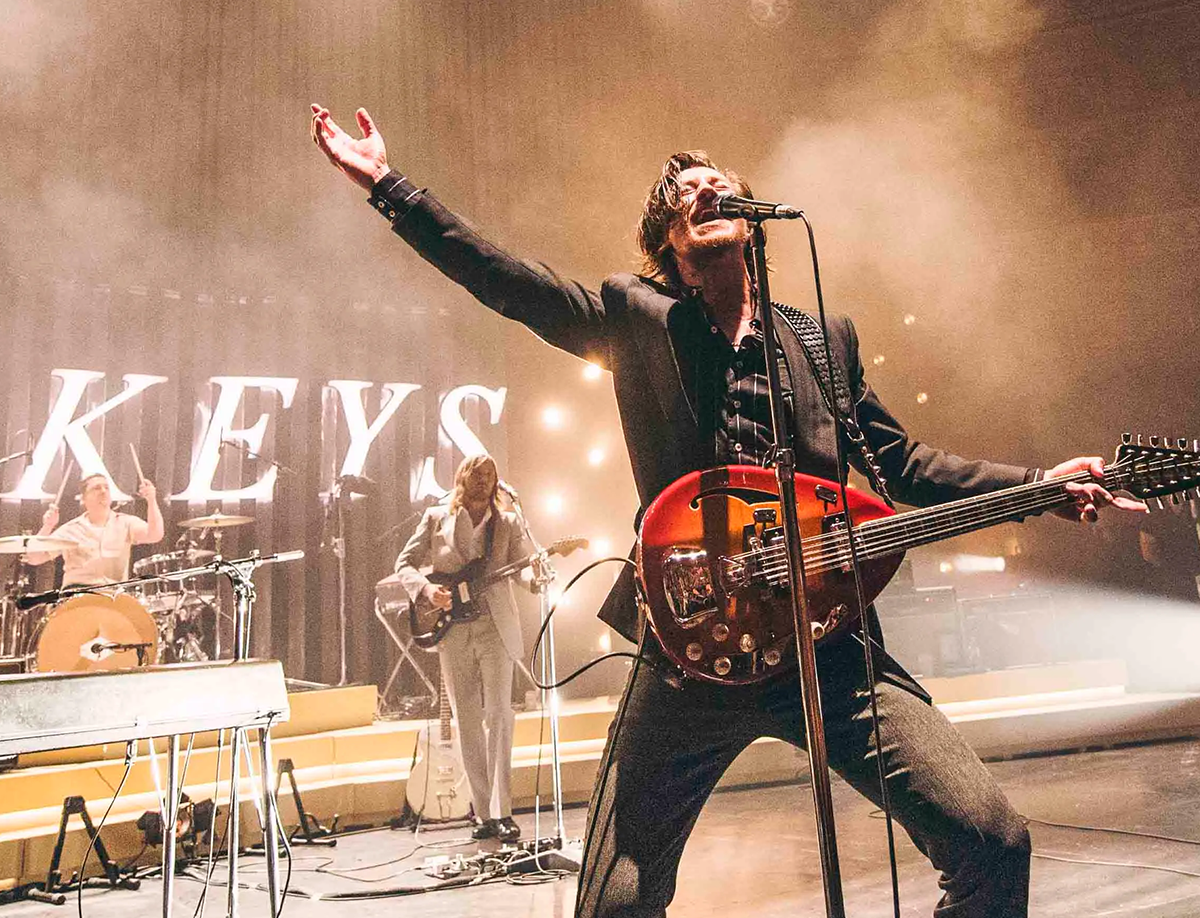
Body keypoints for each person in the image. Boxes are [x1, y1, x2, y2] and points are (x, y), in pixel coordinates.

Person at [309, 104, 1141, 917]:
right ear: (670, 244)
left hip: (825, 649)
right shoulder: (638, 320)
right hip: (689, 657)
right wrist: (389, 186)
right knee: (616, 904)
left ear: (752, 221)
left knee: (993, 843)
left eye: (716, 185)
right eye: (683, 197)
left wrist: (1038, 486)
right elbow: (507, 283)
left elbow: (905, 465)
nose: (702, 193)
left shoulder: (823, 339)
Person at [396, 454, 536, 842]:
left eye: (491, 474)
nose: (484, 480)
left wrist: (535, 578)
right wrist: (426, 590)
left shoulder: (508, 522)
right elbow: (404, 563)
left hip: (495, 625)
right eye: (477, 474)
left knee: (500, 716)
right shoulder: (435, 517)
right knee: (468, 720)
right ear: (462, 477)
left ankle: (503, 811)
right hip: (452, 629)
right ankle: (483, 813)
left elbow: (522, 566)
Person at [23, 472, 166, 586]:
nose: (103, 491)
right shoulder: (70, 529)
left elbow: (155, 535)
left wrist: (151, 501)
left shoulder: (126, 523)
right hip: (77, 601)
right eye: (97, 488)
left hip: (114, 602)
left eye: (106, 487)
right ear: (84, 499)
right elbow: (34, 558)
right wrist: (47, 526)